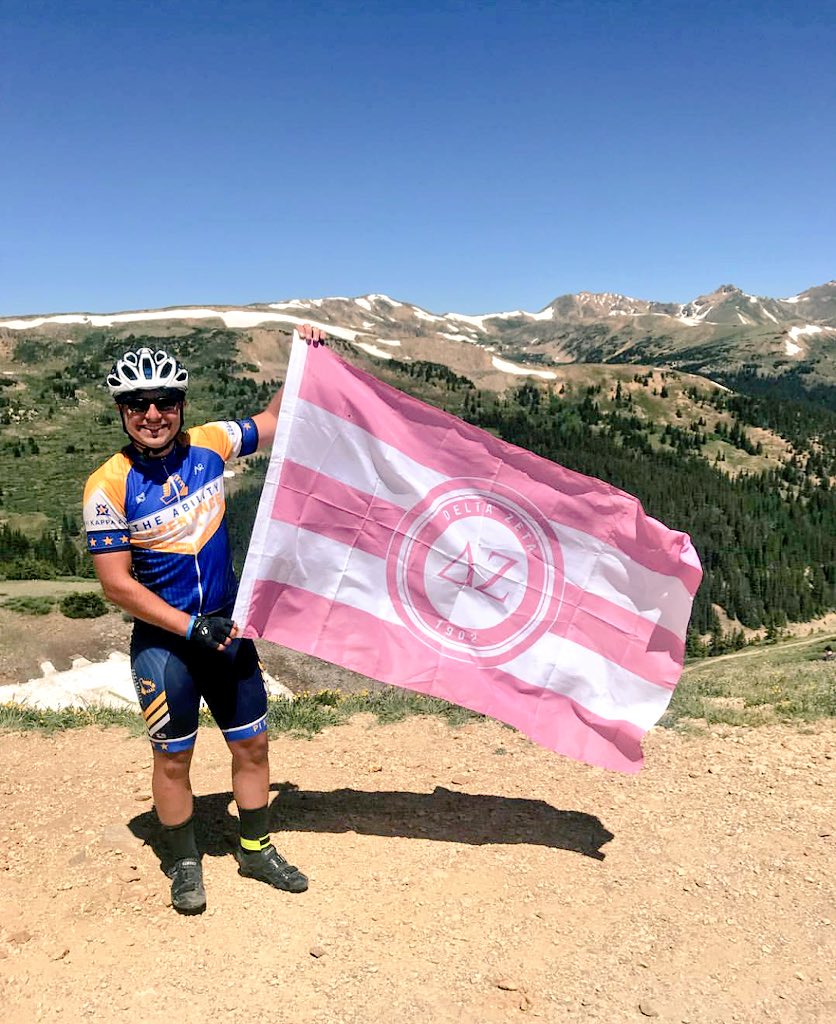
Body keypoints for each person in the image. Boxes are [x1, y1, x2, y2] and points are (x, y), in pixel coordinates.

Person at [83, 325, 326, 914]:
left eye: (165, 401)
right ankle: (185, 861)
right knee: (173, 757)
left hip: (227, 627)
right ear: (122, 410)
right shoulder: (107, 484)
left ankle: (254, 848)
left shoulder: (211, 443)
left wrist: (305, 359)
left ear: (181, 405)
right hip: (167, 643)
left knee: (254, 745)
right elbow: (117, 584)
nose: (153, 414)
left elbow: (274, 422)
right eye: (138, 404)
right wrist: (190, 627)